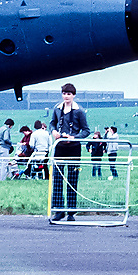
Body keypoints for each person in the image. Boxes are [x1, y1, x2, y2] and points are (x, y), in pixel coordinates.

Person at [47, 84, 89, 221]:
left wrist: (74, 137)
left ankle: (71, 212)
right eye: (64, 93)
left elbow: (86, 131)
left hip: (74, 148)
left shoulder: (79, 111)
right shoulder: (57, 109)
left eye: (69, 94)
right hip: (60, 146)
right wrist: (53, 131)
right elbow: (52, 123)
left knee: (72, 179)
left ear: (74, 95)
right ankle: (58, 210)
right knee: (57, 179)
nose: (66, 96)